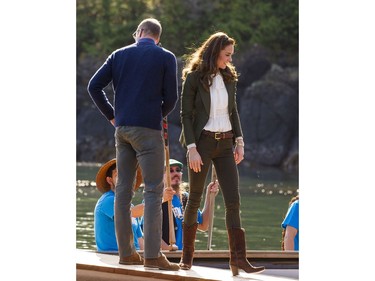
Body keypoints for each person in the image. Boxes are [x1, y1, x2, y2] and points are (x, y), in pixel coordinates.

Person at [87, 18, 179, 270]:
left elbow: (94, 86)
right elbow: (171, 98)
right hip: (149, 130)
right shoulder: (166, 57)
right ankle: (151, 256)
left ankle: (127, 253)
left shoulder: (118, 54)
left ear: (139, 33)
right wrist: (157, 113)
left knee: (123, 191)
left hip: (123, 129)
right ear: (157, 37)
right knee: (152, 190)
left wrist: (112, 115)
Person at [178, 32, 265, 275]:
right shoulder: (194, 78)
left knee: (233, 201)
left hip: (226, 144)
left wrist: (240, 142)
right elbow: (185, 115)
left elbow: (233, 111)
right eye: (227, 55)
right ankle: (186, 259)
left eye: (231, 55)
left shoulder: (229, 77)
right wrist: (191, 148)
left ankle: (238, 260)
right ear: (215, 51)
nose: (229, 59)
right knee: (194, 198)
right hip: (202, 144)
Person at [161, 159, 219, 250]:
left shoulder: (186, 198)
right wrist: (169, 249)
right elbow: (148, 233)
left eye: (178, 170)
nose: (175, 173)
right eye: (170, 171)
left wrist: (209, 196)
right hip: (168, 256)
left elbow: (203, 225)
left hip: (185, 256)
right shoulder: (156, 200)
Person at [94, 159, 144, 253]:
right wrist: (159, 200)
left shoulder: (131, 206)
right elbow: (128, 213)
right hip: (113, 256)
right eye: (119, 175)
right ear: (110, 180)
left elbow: (140, 242)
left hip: (135, 256)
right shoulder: (107, 200)